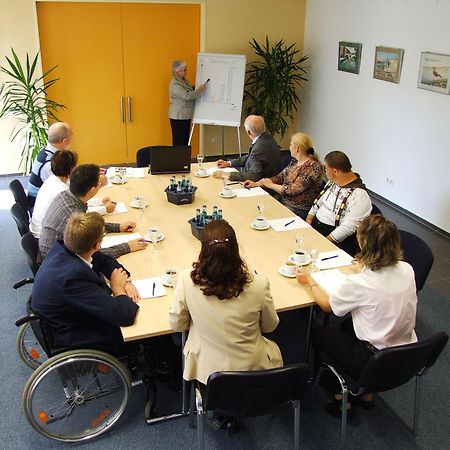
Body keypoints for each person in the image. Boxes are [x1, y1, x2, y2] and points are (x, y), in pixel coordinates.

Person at [296, 215, 417, 414]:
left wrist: (310, 282)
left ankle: (338, 395)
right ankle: (367, 394)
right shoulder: (407, 269)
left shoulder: (360, 283)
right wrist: (364, 267)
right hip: (407, 354)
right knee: (346, 327)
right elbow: (383, 281)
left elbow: (328, 306)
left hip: (373, 357)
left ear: (364, 244)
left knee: (319, 333)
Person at [169, 219, 282, 387]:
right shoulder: (259, 283)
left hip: (207, 370)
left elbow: (177, 325)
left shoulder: (187, 280)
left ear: (203, 251)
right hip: (252, 367)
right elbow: (269, 326)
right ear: (236, 249)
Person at [32, 212, 140, 354]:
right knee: (144, 326)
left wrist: (124, 281)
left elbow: (104, 260)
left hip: (66, 312)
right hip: (74, 331)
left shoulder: (66, 247)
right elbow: (124, 316)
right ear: (97, 244)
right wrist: (118, 288)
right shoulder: (73, 278)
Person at [39, 164, 147, 258]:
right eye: (99, 184)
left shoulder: (67, 195)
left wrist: (118, 227)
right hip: (60, 261)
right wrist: (126, 247)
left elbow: (89, 225)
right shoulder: (72, 215)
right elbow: (91, 255)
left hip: (56, 252)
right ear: (92, 189)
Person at [306, 150, 372, 255]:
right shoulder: (333, 182)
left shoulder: (359, 196)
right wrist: (309, 219)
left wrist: (323, 242)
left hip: (333, 238)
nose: (325, 172)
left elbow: (347, 228)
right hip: (316, 228)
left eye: (325, 169)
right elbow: (319, 200)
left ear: (335, 171)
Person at [244, 132, 323, 218]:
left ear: (297, 149)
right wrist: (257, 184)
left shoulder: (311, 167)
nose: (289, 147)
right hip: (285, 201)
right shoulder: (295, 161)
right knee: (258, 209)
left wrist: (270, 185)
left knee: (268, 217)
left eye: (291, 144)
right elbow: (279, 177)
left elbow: (291, 190)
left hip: (299, 208)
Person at [213, 115, 281, 182]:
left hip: (262, 187)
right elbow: (250, 156)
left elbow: (253, 176)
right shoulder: (267, 137)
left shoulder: (259, 148)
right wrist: (228, 163)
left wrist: (227, 175)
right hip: (270, 181)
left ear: (248, 132)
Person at [30, 150, 78, 238]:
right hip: (45, 237)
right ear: (71, 168)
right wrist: (104, 209)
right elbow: (79, 216)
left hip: (40, 230)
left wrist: (100, 202)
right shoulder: (62, 191)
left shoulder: (53, 179)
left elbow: (78, 196)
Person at [27, 122, 73, 208]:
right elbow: (66, 189)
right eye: (71, 136)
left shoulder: (46, 153)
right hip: (41, 205)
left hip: (41, 199)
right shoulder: (49, 163)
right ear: (64, 141)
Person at [169, 60, 206, 145]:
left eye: (186, 69)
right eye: (184, 70)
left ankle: (184, 157)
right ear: (177, 72)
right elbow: (187, 96)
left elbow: (189, 89)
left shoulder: (183, 80)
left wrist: (196, 88)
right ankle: (178, 158)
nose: (186, 72)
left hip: (185, 115)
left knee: (185, 140)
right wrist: (199, 90)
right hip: (178, 116)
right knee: (179, 141)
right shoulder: (174, 84)